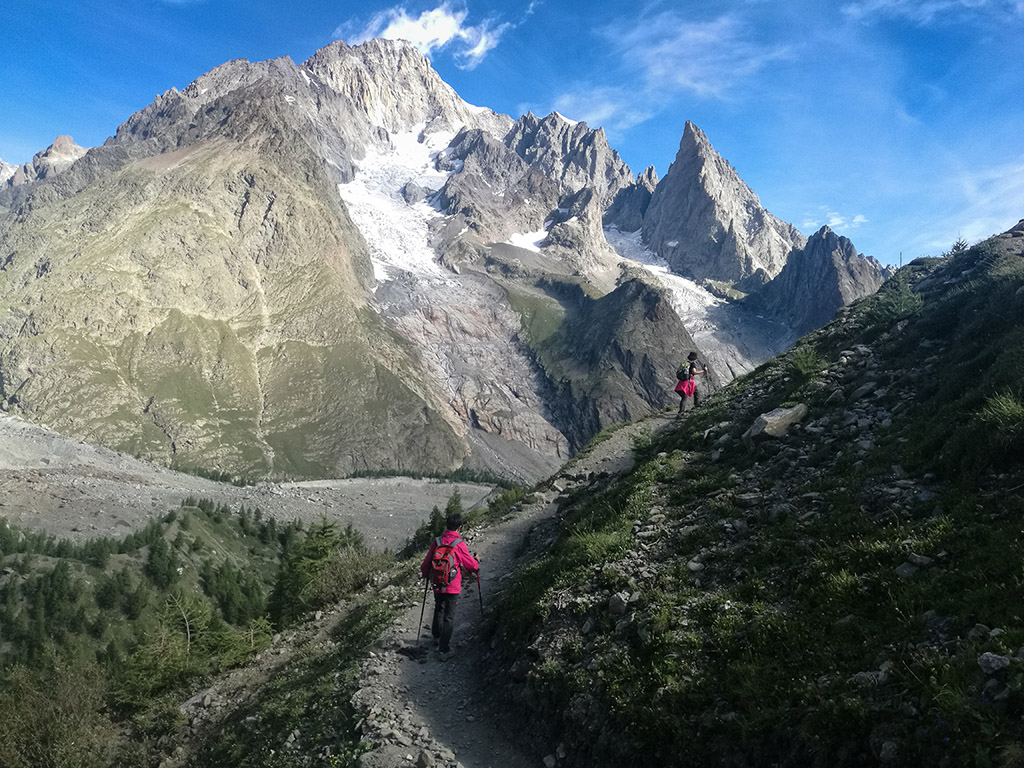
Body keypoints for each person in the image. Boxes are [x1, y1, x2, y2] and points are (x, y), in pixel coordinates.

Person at [420, 511, 479, 660]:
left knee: (439, 608)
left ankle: (436, 637)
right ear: (459, 528)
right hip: (452, 584)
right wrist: (476, 563)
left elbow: (426, 563)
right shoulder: (459, 544)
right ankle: (444, 650)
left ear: (447, 525)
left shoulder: (437, 541)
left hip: (438, 582)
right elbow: (470, 565)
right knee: (449, 615)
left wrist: (426, 574)